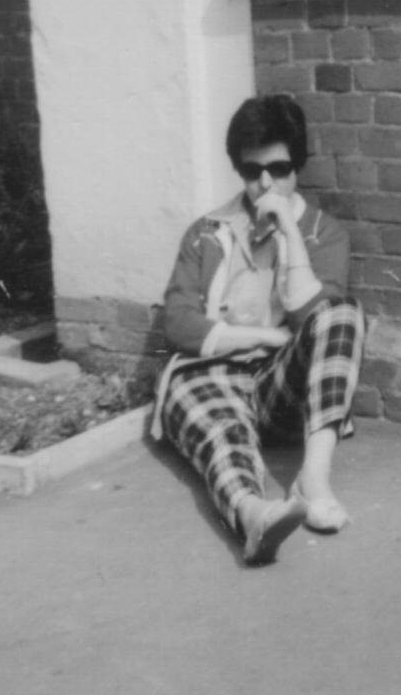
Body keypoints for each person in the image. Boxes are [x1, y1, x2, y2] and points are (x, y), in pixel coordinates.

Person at [150, 94, 366, 565]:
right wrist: (265, 337)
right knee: (222, 430)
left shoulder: (324, 233)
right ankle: (253, 515)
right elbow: (178, 323)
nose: (266, 183)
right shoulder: (206, 232)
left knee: (343, 313)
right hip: (211, 373)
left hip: (278, 385)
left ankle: (314, 481)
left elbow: (318, 319)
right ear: (239, 170)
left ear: (297, 166)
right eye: (252, 171)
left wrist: (289, 231)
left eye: (279, 169)